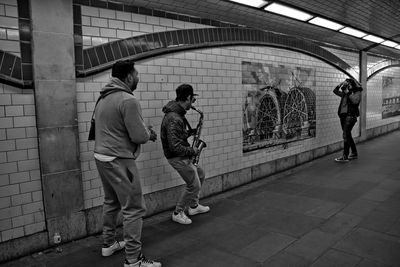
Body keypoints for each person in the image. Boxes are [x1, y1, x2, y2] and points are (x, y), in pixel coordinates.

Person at [93, 60, 161, 267]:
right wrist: (148, 133)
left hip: (101, 156)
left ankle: (109, 243)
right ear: (129, 77)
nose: (138, 78)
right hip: (119, 159)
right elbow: (138, 135)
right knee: (134, 208)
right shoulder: (127, 99)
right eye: (137, 74)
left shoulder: (103, 98)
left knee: (111, 201)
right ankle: (133, 259)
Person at [160, 84, 210, 225]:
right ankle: (178, 212)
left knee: (200, 174)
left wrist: (190, 132)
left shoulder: (177, 114)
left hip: (182, 155)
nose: (192, 103)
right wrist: (193, 151)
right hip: (177, 157)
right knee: (194, 185)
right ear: (188, 97)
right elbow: (174, 146)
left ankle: (193, 206)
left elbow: (176, 136)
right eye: (192, 99)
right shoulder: (174, 118)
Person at [333, 78, 363, 163]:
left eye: (348, 84)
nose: (347, 86)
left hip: (350, 116)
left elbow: (355, 101)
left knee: (346, 135)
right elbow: (335, 91)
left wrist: (348, 92)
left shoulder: (357, 91)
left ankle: (345, 156)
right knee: (348, 135)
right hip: (343, 116)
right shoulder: (345, 93)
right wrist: (340, 85)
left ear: (352, 84)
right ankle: (354, 153)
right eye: (346, 84)